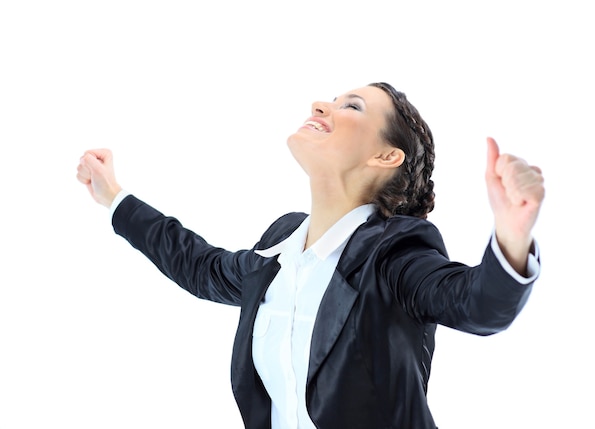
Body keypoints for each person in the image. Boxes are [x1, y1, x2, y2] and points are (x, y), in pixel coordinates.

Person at [76, 82, 544, 429]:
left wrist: (511, 235)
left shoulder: (394, 253)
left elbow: (477, 304)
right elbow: (199, 265)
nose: (321, 105)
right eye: (333, 100)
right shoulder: (280, 247)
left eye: (352, 106)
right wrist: (114, 197)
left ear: (385, 156)